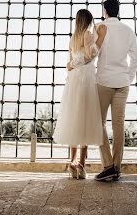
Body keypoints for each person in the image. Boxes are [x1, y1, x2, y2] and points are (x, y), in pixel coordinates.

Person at [53, 9, 106, 179]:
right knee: (85, 120)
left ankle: (73, 162)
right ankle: (81, 166)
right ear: (88, 20)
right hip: (85, 79)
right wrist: (101, 39)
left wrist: (70, 65)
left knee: (74, 118)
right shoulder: (88, 33)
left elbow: (72, 61)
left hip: (73, 80)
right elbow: (90, 56)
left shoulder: (73, 38)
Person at [94, 0, 137, 181]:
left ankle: (108, 165)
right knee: (118, 125)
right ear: (118, 11)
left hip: (104, 81)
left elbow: (93, 51)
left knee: (99, 122)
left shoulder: (99, 27)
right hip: (122, 83)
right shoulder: (128, 30)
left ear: (105, 10)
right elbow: (135, 59)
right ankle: (117, 168)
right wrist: (128, 78)